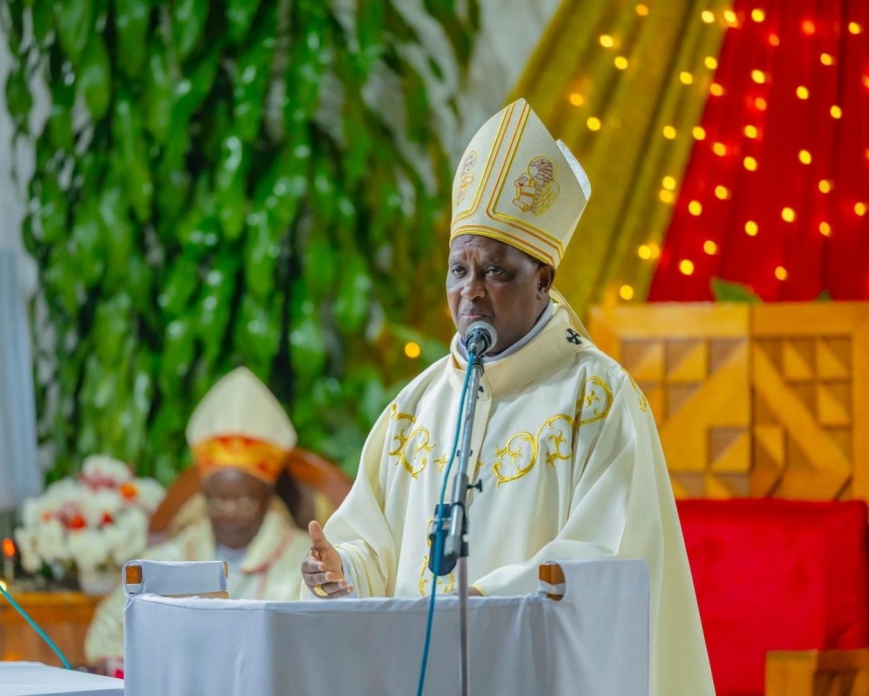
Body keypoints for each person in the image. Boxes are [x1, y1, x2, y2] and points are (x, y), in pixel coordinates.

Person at [300, 99, 715, 696]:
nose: (470, 292)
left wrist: (485, 602)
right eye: (457, 270)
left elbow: (602, 560)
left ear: (543, 280)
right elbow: (375, 546)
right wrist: (343, 568)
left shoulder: (598, 400)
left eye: (495, 272)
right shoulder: (415, 408)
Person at [85, 367, 310, 667]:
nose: (229, 512)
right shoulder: (170, 560)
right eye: (218, 501)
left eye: (243, 501)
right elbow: (105, 634)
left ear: (268, 498)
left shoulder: (306, 564)